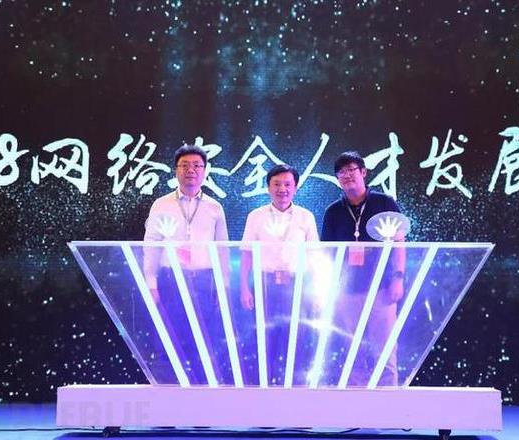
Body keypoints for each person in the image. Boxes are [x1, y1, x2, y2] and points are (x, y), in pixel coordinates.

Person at [143, 143, 229, 384]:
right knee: (168, 338)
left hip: (203, 280)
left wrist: (223, 285)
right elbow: (151, 245)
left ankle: (201, 396)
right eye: (185, 165)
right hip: (171, 279)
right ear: (176, 170)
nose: (191, 170)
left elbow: (222, 249)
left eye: (197, 166)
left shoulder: (214, 207)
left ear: (205, 171)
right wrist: (151, 282)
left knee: (205, 340)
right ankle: (167, 396)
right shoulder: (161, 204)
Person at [321, 150, 406, 387]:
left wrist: (398, 277)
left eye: (352, 170)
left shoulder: (384, 203)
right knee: (352, 351)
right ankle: (356, 402)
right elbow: (326, 253)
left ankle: (389, 401)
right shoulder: (333, 212)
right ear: (337, 178)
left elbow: (399, 242)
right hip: (347, 291)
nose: (347, 175)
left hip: (382, 289)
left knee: (384, 349)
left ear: (363, 172)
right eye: (342, 172)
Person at [240, 164, 319, 385]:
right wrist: (244, 287)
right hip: (264, 284)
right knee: (264, 338)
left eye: (287, 184)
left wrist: (316, 292)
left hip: (298, 285)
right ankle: (264, 391)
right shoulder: (255, 216)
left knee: (297, 338)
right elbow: (246, 254)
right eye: (276, 184)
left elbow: (314, 256)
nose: (282, 189)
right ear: (268, 187)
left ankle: (296, 391)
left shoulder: (306, 217)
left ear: (295, 187)